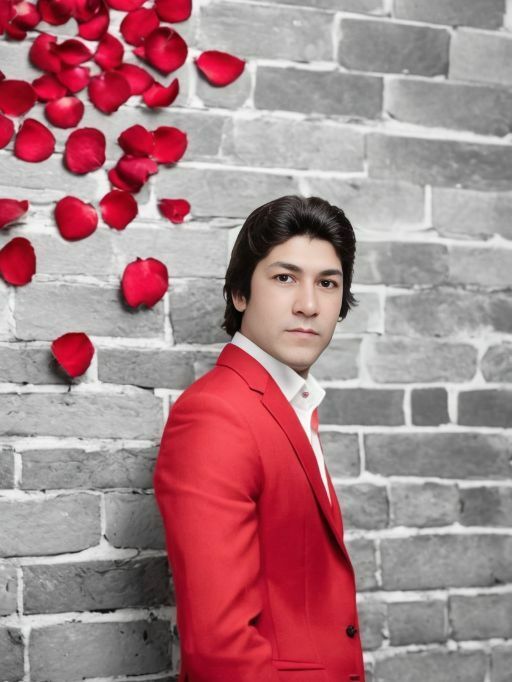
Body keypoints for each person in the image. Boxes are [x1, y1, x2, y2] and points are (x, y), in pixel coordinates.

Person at [153, 195, 365, 682]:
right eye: (285, 278)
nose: (308, 305)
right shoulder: (216, 415)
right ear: (240, 293)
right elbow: (220, 649)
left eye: (327, 283)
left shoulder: (290, 403)